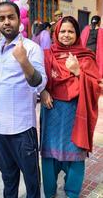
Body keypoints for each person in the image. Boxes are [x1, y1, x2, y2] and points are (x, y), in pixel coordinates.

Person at [0, 1, 47, 198]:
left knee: (31, 181)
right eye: (1, 19)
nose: (6, 22)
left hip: (23, 131)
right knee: (8, 179)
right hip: (1, 131)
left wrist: (23, 61)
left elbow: (40, 84)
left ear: (19, 20)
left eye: (10, 17)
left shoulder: (31, 48)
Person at [40, 16, 101, 198]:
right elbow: (39, 80)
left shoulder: (85, 56)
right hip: (52, 112)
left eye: (71, 31)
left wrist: (77, 71)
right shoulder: (47, 54)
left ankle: (72, 192)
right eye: (63, 31)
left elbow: (96, 86)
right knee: (49, 153)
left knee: (75, 152)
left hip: (76, 113)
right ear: (57, 33)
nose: (66, 35)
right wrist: (42, 91)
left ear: (77, 34)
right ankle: (50, 191)